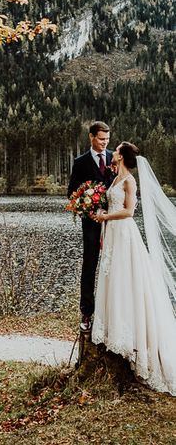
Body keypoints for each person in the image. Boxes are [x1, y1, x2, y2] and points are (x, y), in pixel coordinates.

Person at [92, 142, 176, 395]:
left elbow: (129, 211)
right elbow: (116, 207)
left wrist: (106, 217)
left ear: (122, 156)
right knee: (112, 276)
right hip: (113, 233)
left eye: (116, 149)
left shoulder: (129, 181)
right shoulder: (116, 178)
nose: (113, 151)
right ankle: (112, 327)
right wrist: (103, 215)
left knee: (125, 278)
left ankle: (130, 336)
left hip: (125, 234)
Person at [68, 121, 114, 330]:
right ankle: (87, 314)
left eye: (107, 139)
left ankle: (113, 313)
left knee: (115, 266)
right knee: (90, 267)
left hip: (114, 224)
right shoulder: (81, 162)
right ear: (91, 137)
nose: (105, 143)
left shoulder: (116, 157)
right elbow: (71, 193)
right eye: (101, 139)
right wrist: (89, 206)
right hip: (91, 226)